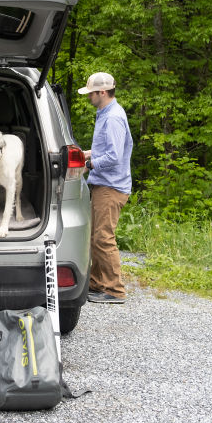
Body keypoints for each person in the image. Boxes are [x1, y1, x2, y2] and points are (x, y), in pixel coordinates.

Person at [80, 72, 133, 304]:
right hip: (103, 184)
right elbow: (106, 149)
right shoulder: (105, 114)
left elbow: (114, 155)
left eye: (91, 92)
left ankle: (114, 290)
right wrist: (85, 154)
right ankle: (97, 284)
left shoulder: (113, 117)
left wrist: (90, 163)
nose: (89, 96)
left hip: (111, 187)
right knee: (95, 236)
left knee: (103, 238)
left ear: (102, 92)